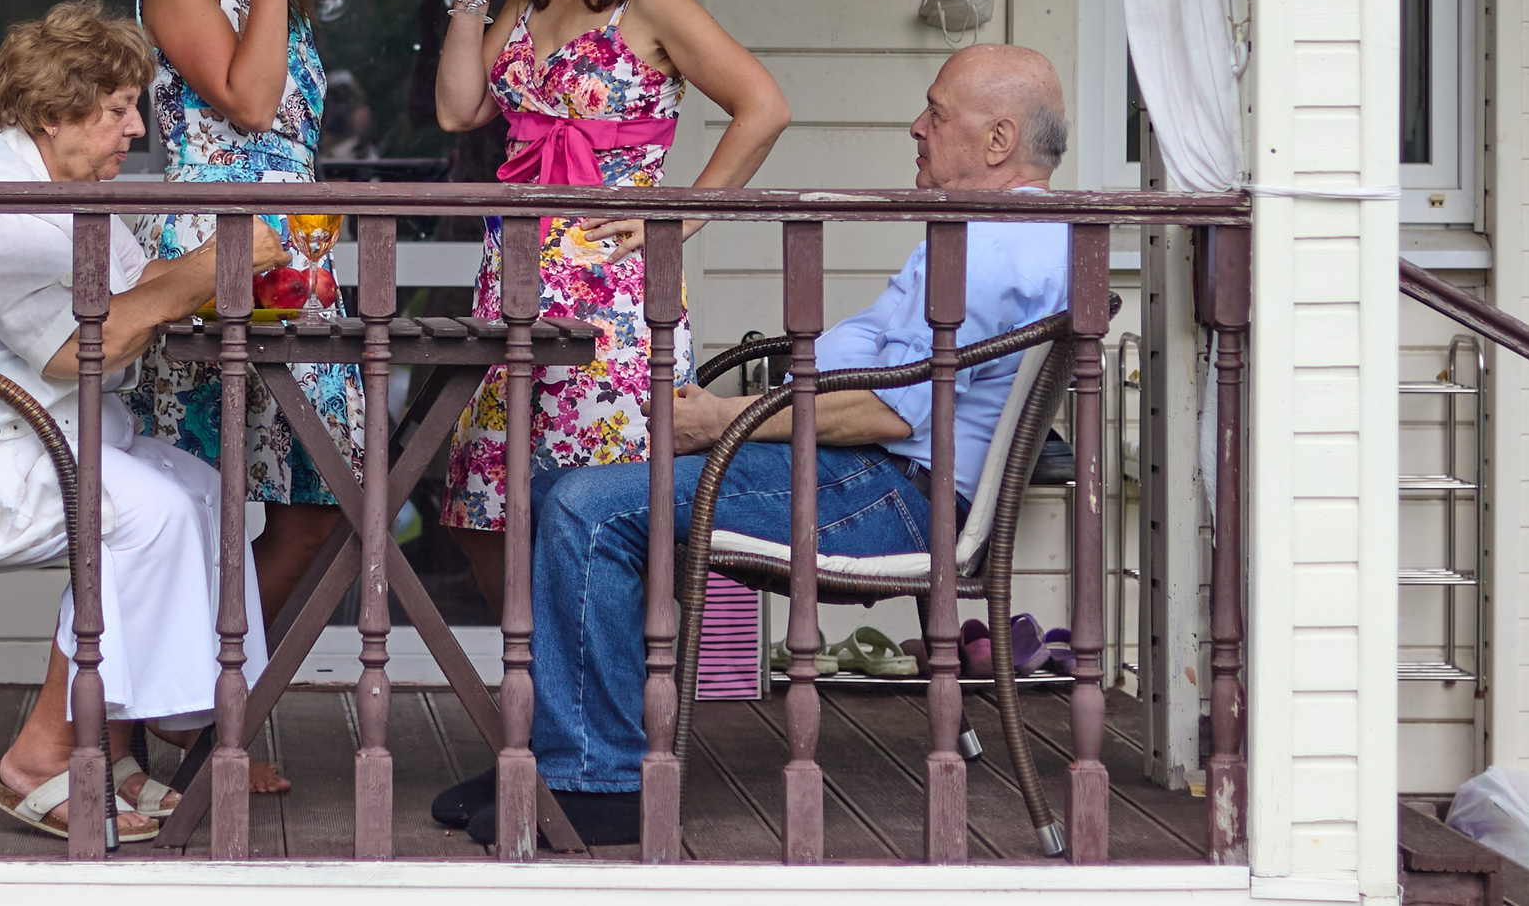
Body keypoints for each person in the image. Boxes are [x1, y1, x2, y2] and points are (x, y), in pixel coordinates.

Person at [436, 43, 1075, 847]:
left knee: (586, 506)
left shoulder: (998, 248)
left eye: (937, 113)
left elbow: (886, 413)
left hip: (891, 495)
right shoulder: (995, 232)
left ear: (997, 140)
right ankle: (557, 752)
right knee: (579, 483)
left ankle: (596, 780)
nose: (916, 126)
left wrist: (723, 419)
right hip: (867, 474)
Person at [0, 0, 284, 841]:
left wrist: (184, 278)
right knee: (145, 516)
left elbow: (122, 293)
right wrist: (208, 269)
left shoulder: (51, 180)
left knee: (205, 492)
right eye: (116, 110)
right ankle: (39, 757)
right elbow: (81, 348)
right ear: (51, 113)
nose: (135, 129)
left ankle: (110, 749)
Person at [430, 0, 790, 609]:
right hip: (511, 284)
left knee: (599, 509)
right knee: (483, 502)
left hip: (611, 299)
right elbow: (460, 110)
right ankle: (548, 691)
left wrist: (684, 213)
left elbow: (762, 105)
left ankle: (601, 702)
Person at [128, 0, 360, 788]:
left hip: (295, 259)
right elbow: (249, 100)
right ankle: (183, 724)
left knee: (322, 498)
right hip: (210, 258)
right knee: (208, 497)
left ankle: (207, 704)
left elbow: (295, 135)